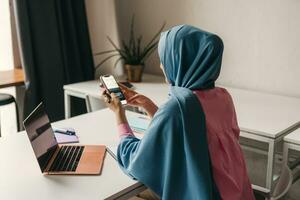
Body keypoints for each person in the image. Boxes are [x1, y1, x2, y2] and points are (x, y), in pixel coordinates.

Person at [102, 25, 255, 200]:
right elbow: (189, 131)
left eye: (164, 58)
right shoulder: (222, 97)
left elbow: (137, 162)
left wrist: (118, 114)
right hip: (236, 191)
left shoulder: (178, 107)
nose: (161, 65)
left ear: (180, 61)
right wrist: (147, 104)